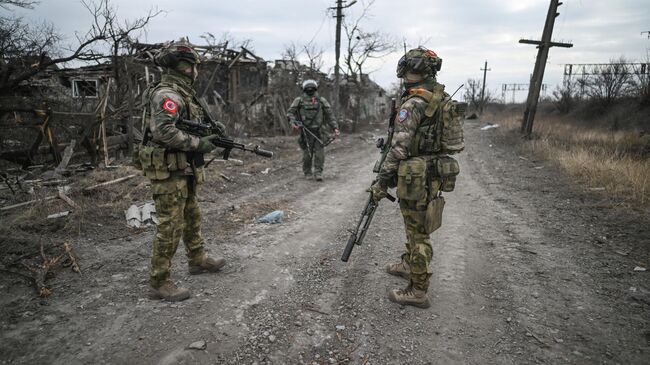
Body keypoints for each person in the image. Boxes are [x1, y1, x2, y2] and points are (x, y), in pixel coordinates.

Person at [369, 47, 461, 308]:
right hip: (430, 173)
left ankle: (418, 291)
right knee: (415, 226)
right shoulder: (437, 97)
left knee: (419, 233)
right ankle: (409, 264)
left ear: (410, 69)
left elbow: (398, 148)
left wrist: (381, 182)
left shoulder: (413, 103)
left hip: (416, 177)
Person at [138, 39, 226, 301]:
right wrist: (201, 144)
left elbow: (186, 126)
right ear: (185, 67)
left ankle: (197, 259)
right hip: (169, 169)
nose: (195, 70)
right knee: (170, 225)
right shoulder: (168, 94)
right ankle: (159, 282)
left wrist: (211, 131)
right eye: (192, 65)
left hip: (183, 167)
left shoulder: (183, 92)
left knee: (192, 215)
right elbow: (164, 131)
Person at [287, 79, 340, 181]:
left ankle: (318, 173)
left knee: (320, 154)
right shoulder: (299, 100)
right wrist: (294, 123)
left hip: (320, 131)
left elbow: (329, 115)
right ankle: (307, 173)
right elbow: (290, 113)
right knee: (307, 154)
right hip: (306, 132)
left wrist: (335, 127)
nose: (310, 90)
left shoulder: (321, 100)